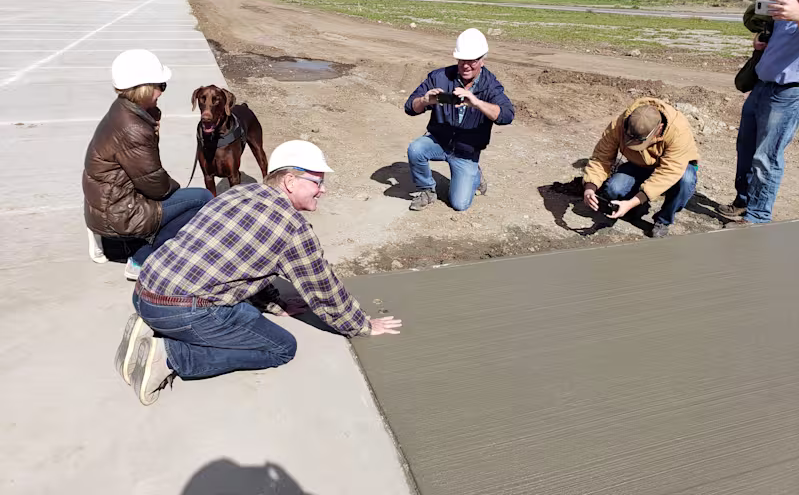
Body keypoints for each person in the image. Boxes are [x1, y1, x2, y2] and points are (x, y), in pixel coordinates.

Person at [114, 140, 402, 406]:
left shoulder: (239, 193)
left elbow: (243, 263)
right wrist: (361, 325)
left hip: (144, 291)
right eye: (318, 181)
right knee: (280, 347)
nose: (323, 189)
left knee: (247, 314)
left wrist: (276, 304)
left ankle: (151, 328)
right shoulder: (292, 228)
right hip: (180, 310)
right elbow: (323, 289)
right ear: (290, 181)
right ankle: (171, 356)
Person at [83, 49, 212, 280]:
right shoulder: (134, 127)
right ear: (143, 88)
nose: (162, 92)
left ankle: (112, 242)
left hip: (106, 202)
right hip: (119, 211)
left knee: (180, 199)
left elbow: (144, 170)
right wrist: (176, 189)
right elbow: (157, 185)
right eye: (160, 85)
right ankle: (140, 260)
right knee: (200, 199)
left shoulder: (123, 109)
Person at [404, 28, 514, 211]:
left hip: (466, 151)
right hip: (439, 141)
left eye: (472, 61)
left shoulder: (490, 85)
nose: (466, 65)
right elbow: (409, 107)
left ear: (482, 60)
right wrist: (424, 101)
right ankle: (427, 190)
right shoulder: (439, 77)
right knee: (416, 149)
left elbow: (506, 115)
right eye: (462, 60)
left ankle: (475, 175)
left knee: (459, 204)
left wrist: (477, 103)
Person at [720, 0, 799, 224]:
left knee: (768, 156)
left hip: (788, 91)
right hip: (763, 83)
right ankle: (744, 202)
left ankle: (758, 216)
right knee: (746, 147)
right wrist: (765, 42)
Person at [582, 98, 700, 238]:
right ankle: (635, 206)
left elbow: (669, 172)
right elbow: (601, 157)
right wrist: (590, 187)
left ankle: (663, 220)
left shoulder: (678, 130)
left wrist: (632, 202)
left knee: (686, 180)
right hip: (640, 165)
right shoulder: (619, 125)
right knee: (614, 189)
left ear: (659, 129)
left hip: (676, 169)